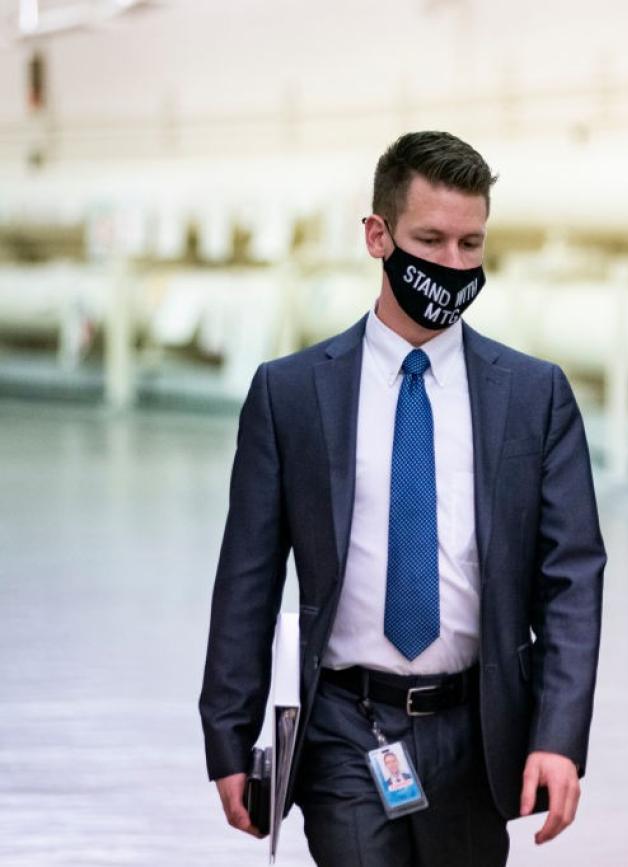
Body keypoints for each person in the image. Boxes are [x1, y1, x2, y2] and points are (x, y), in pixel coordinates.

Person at [199, 131, 606, 866]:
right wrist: (228, 738)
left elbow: (572, 578)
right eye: (431, 239)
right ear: (378, 236)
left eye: (470, 243)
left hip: (476, 731)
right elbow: (247, 578)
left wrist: (558, 735)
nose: (452, 263)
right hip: (344, 730)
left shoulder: (534, 396)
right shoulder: (290, 394)